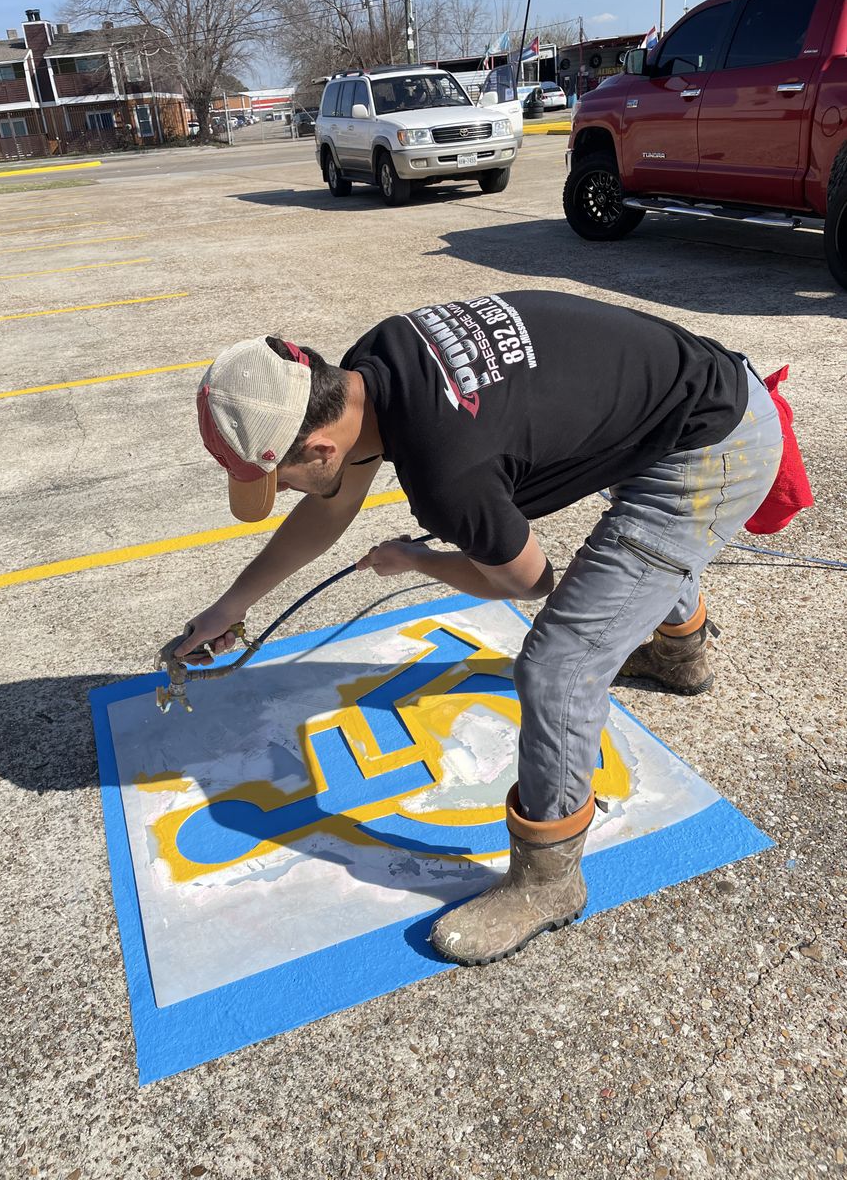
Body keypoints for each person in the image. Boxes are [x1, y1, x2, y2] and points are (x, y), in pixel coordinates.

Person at [178, 291, 784, 967]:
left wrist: (420, 561)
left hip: (711, 450)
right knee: (625, 572)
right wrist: (232, 605)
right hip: (690, 392)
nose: (287, 493)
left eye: (282, 481)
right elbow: (332, 506)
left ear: (319, 447)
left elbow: (529, 581)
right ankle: (681, 654)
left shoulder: (448, 473)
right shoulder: (375, 361)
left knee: (556, 666)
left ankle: (547, 881)